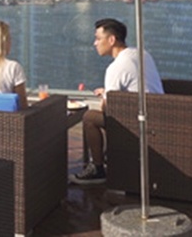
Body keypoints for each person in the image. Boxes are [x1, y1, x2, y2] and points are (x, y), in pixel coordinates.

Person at [69, 18, 164, 185]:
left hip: (141, 123)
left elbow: (108, 111)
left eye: (98, 38)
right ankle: (110, 156)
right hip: (160, 114)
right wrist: (108, 93)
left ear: (111, 40)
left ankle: (98, 168)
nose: (94, 43)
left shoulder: (116, 67)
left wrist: (106, 99)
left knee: (90, 118)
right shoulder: (141, 53)